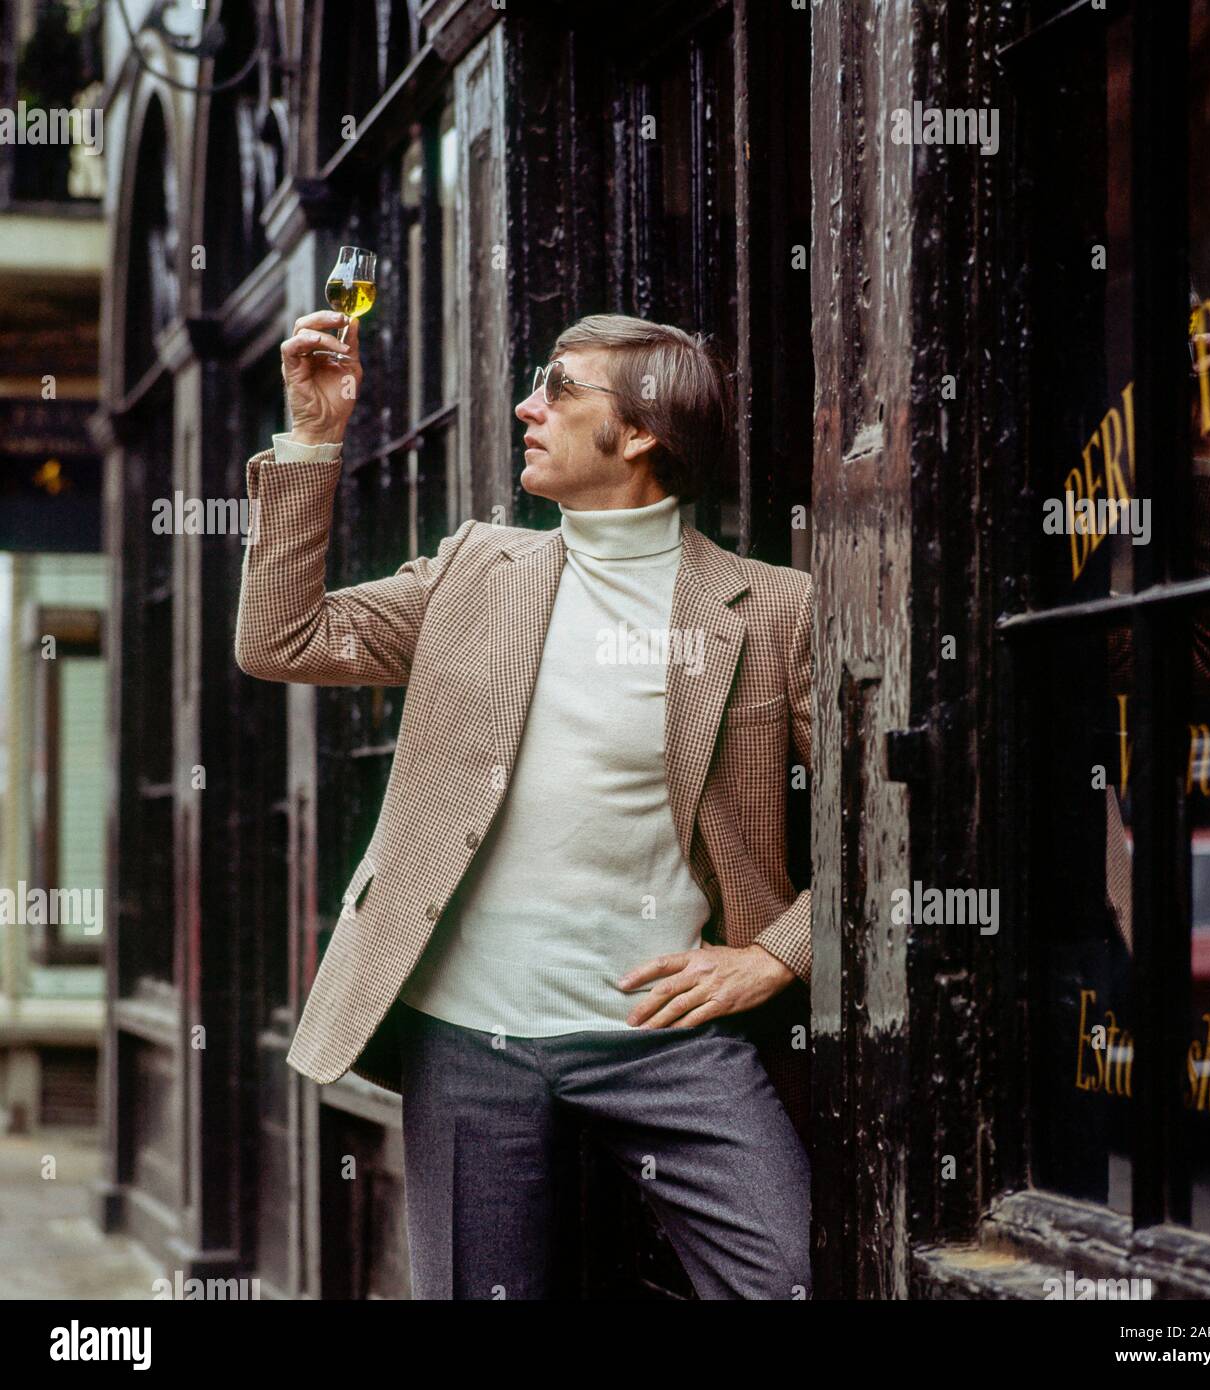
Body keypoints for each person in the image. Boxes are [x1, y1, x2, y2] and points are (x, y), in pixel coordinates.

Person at [234, 310, 813, 1300]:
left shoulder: (774, 610)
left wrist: (773, 954)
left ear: (637, 435)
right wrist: (315, 437)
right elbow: (282, 638)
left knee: (787, 1276)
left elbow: (881, 835)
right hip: (469, 1040)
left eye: (560, 388)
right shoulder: (475, 571)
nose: (525, 406)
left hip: (665, 1045)